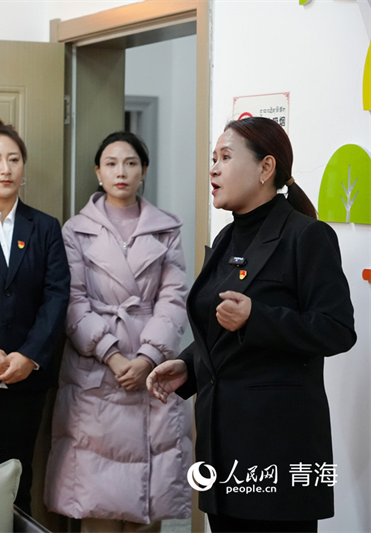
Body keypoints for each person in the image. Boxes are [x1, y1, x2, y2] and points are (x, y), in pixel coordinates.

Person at [147, 117, 356, 533]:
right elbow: (221, 327)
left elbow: (336, 329)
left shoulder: (307, 236)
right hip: (221, 446)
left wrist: (257, 318)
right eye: (213, 159)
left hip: (279, 448)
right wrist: (188, 365)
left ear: (266, 168)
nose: (213, 169)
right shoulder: (226, 238)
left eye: (225, 158)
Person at [45, 131, 193, 533]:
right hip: (96, 368)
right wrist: (112, 354)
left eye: (130, 163)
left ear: (144, 170)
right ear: (98, 172)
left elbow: (174, 298)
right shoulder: (76, 229)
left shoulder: (166, 228)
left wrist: (147, 358)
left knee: (148, 509)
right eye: (111, 164)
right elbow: (73, 301)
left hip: (153, 369)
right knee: (99, 502)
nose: (121, 172)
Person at [0, 118, 70, 514]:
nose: (5, 169)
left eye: (14, 159)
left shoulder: (45, 227)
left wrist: (30, 355)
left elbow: (56, 297)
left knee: (17, 478)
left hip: (26, 377)